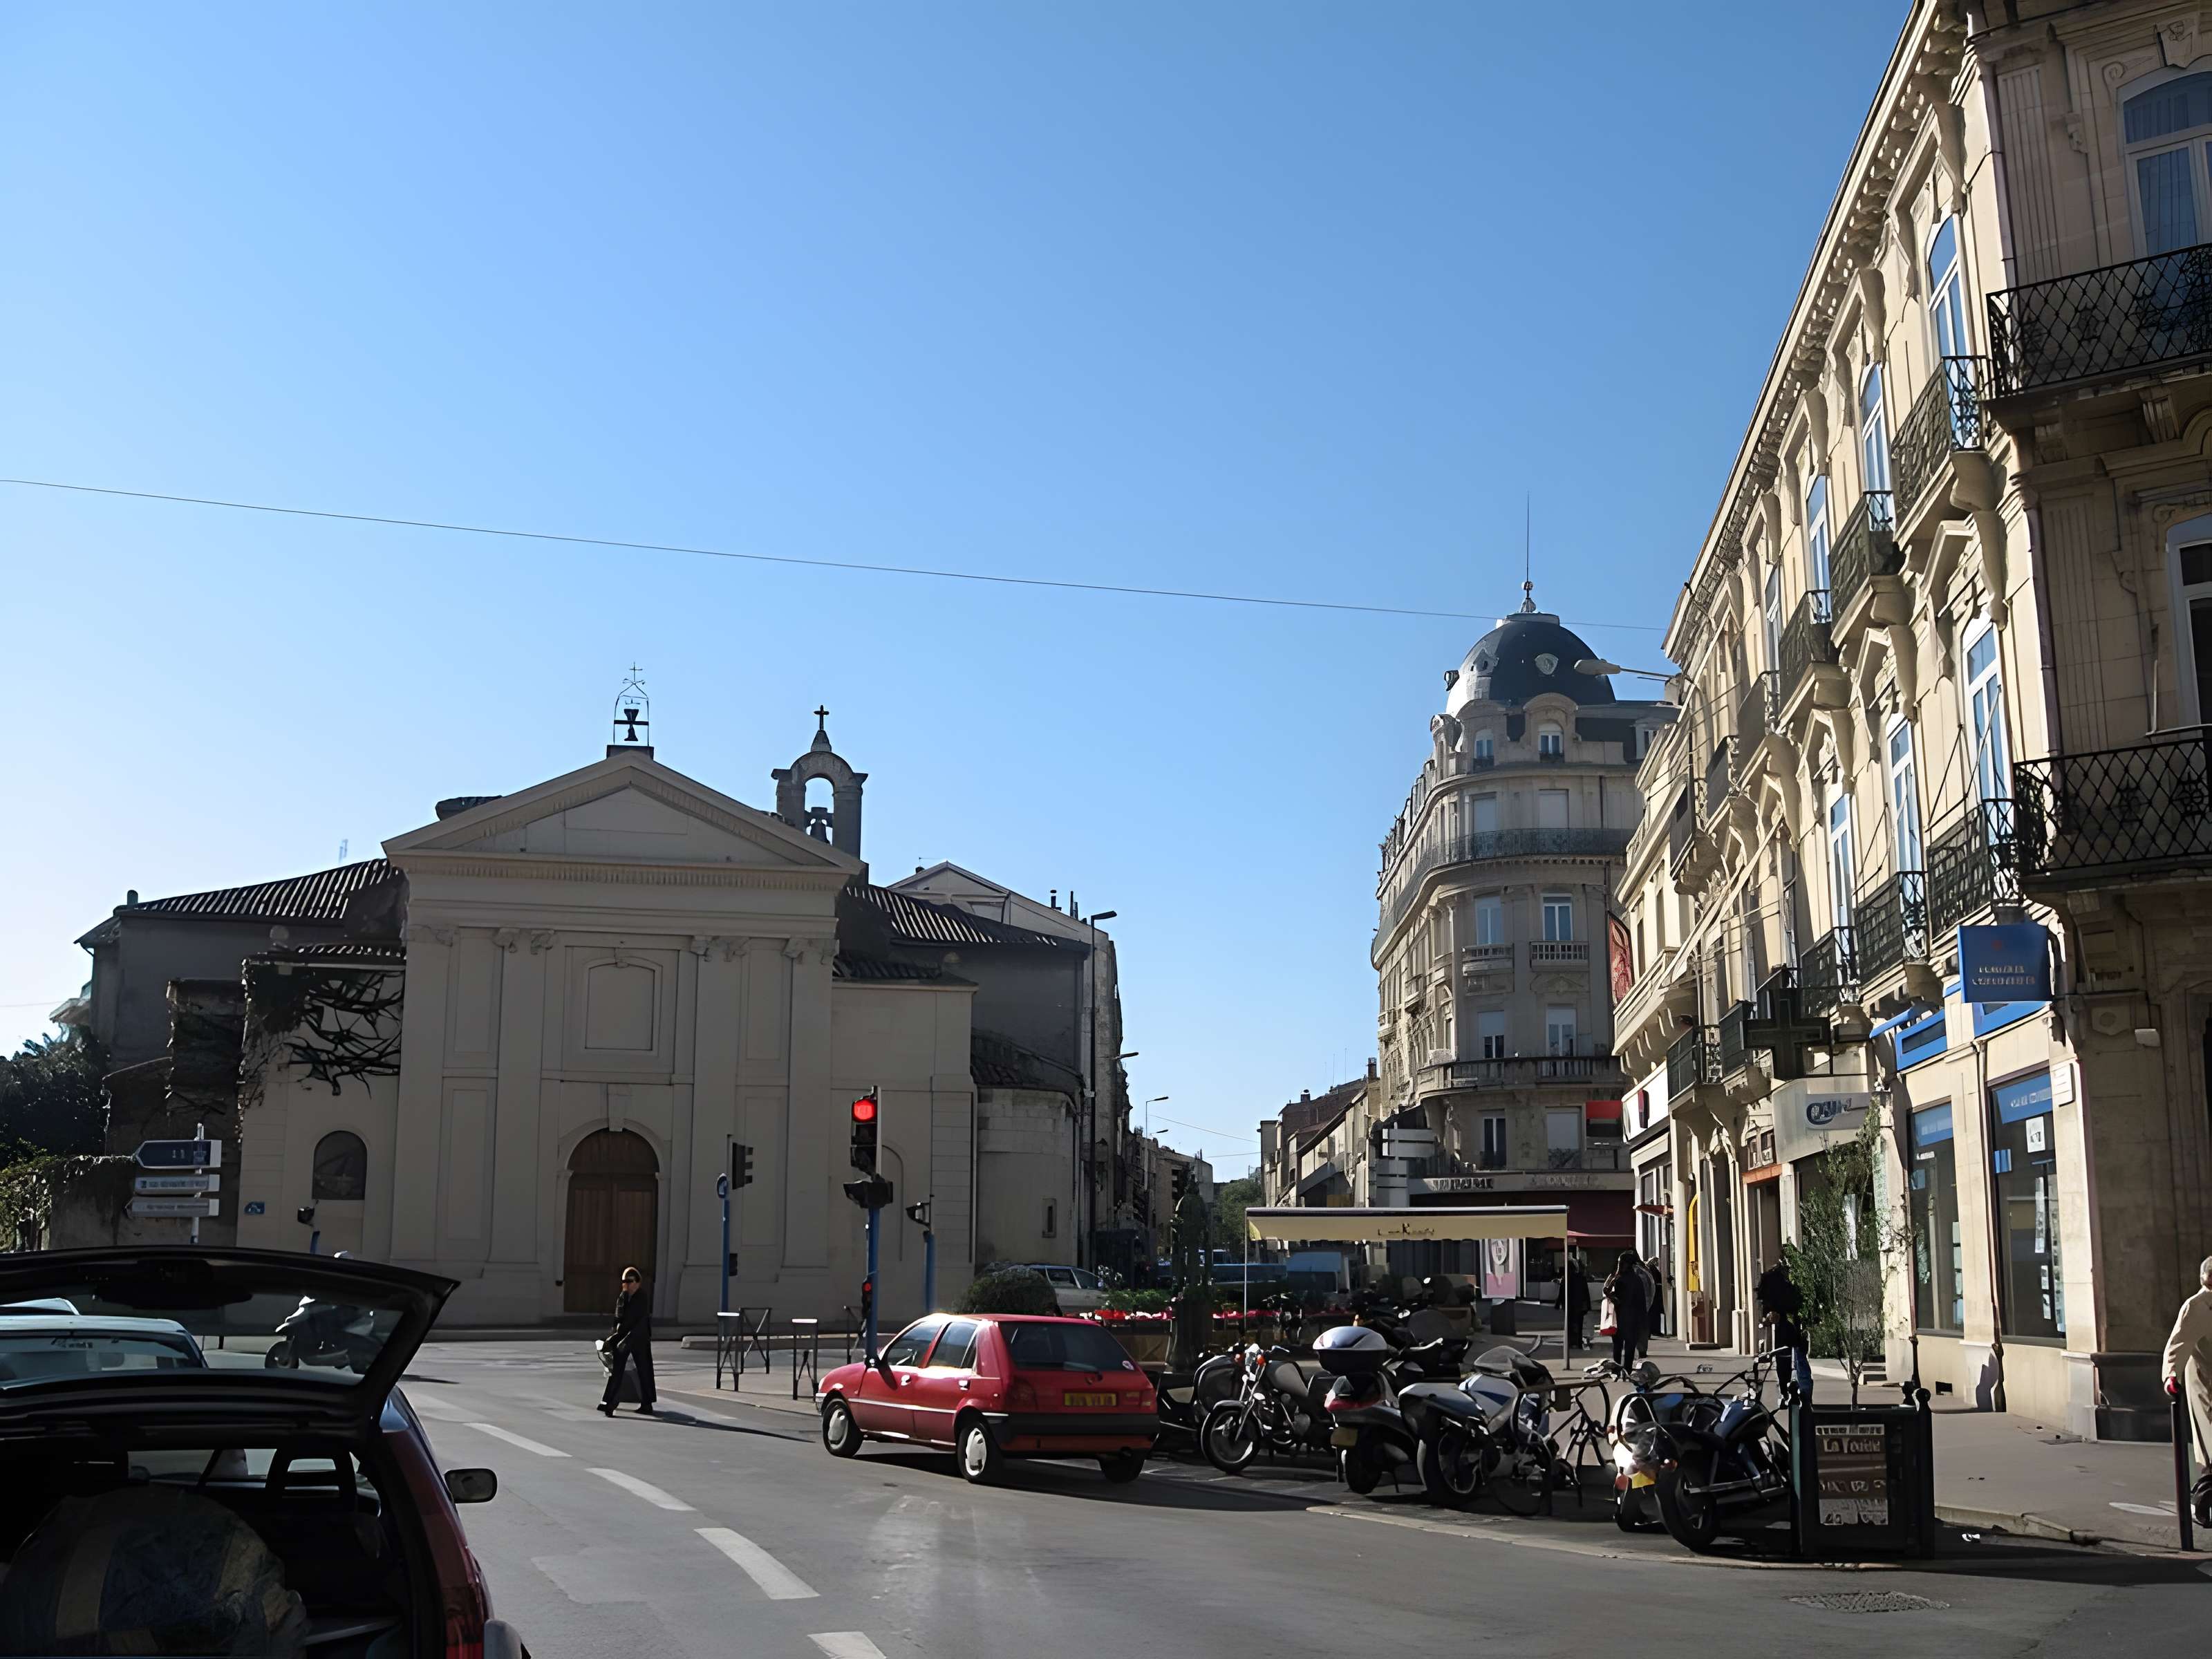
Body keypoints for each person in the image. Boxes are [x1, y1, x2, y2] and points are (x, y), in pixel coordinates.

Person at [2162, 1254, 2212, 1526]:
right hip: (2206, 1383)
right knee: (2211, 1448)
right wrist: (2172, 1375)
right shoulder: (2197, 1306)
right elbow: (2178, 1344)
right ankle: (2202, 1504)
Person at [598, 1267, 656, 1416]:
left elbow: (636, 1322)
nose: (627, 1284)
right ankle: (609, 1402)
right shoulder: (623, 1297)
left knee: (644, 1370)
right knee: (616, 1371)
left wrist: (621, 1338)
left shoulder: (642, 1297)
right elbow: (618, 1319)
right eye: (624, 1281)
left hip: (638, 1337)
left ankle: (647, 1404)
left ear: (637, 1282)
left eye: (630, 1281)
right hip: (623, 1337)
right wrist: (613, 1336)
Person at [1756, 1253, 1812, 1403]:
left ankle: (1805, 1398)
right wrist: (1769, 1317)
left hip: (1800, 1331)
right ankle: (1784, 1393)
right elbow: (1764, 1310)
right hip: (1783, 1330)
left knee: (1802, 1366)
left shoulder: (1804, 1277)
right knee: (1783, 1364)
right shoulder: (1770, 1279)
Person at [1605, 1249, 1651, 1370]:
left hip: (1622, 1317)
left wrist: (1611, 1290)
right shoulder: (1637, 1280)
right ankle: (1627, 1370)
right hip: (1634, 1318)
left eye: (1621, 1263)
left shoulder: (1620, 1280)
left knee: (1618, 1346)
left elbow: (1611, 1294)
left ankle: (1617, 1370)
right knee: (1630, 1346)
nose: (1619, 1265)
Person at [1564, 1254, 1591, 1350]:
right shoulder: (1581, 1278)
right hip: (1580, 1305)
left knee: (1570, 1324)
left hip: (1570, 1305)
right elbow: (1586, 1293)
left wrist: (1559, 1305)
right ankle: (1578, 1342)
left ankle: (1571, 1342)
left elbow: (1562, 1293)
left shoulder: (1567, 1279)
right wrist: (1588, 1306)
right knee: (1579, 1324)